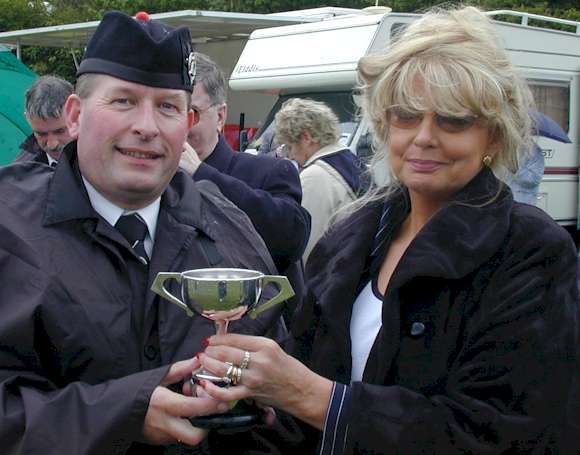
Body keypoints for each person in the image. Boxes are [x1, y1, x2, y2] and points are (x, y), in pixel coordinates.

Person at [196, 7, 579, 454]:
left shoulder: (531, 249)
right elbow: (299, 405)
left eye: (453, 120)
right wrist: (253, 406)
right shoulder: (351, 237)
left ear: (493, 138)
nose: (424, 137)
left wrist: (312, 397)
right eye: (407, 116)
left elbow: (499, 432)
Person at [0, 11, 285, 454]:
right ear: (74, 116)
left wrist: (262, 409)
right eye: (123, 101)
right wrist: (118, 415)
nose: (147, 127)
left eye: (168, 106)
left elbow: (284, 386)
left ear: (187, 124)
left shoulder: (229, 226)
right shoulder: (7, 227)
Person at [179, 52, 310, 323]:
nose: (183, 126)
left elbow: (291, 236)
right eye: (170, 110)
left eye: (193, 113)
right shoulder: (151, 183)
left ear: (220, 115)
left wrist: (202, 173)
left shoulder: (267, 170)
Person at [274, 98, 364, 261]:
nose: (291, 156)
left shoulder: (315, 177)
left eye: (290, 146)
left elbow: (307, 249)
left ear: (307, 137)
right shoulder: (353, 162)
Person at [14, 75, 73, 165]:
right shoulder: (20, 174)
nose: (52, 145)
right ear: (27, 119)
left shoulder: (101, 153)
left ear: (77, 113)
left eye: (60, 131)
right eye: (41, 134)